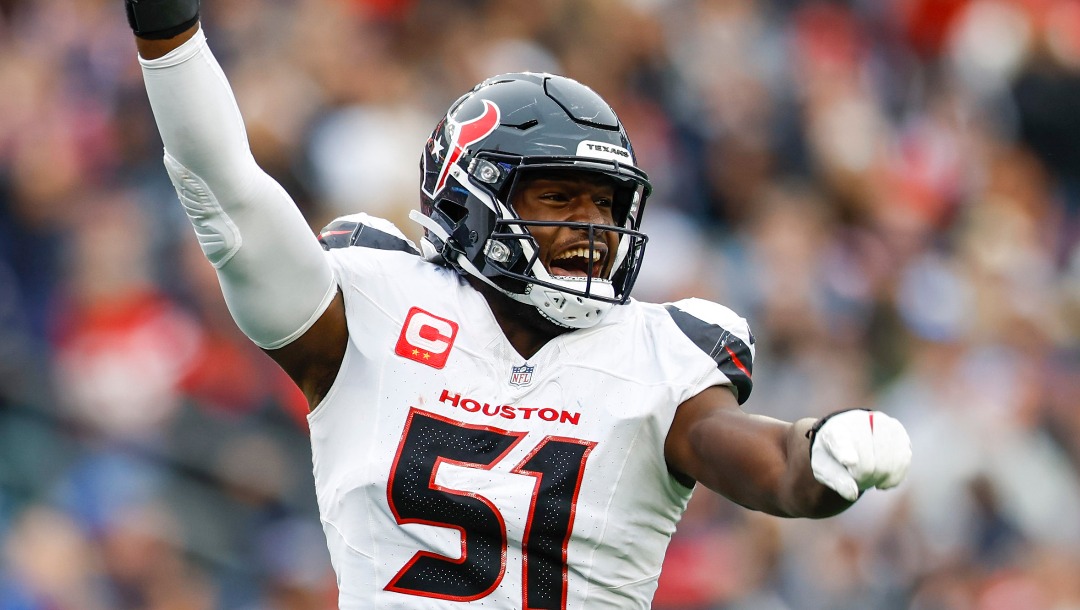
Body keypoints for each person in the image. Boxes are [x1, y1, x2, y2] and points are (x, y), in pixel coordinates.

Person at [126, 1, 912, 607]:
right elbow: (225, 192)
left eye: (607, 207)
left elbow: (772, 467)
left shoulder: (660, 353)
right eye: (561, 197)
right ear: (469, 203)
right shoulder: (370, 304)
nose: (592, 228)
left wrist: (821, 448)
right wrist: (168, 29)